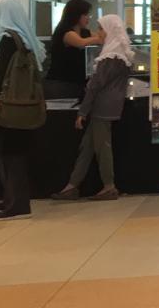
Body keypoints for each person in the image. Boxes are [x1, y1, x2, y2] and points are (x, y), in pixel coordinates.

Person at [51, 15, 133, 202]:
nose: (98, 33)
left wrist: (82, 111)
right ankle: (72, 186)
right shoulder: (121, 55)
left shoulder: (110, 57)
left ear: (110, 30)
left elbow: (95, 86)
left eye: (101, 28)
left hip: (102, 108)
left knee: (102, 147)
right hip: (109, 106)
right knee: (87, 147)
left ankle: (109, 187)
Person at [0, 0, 47, 221]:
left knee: (10, 154)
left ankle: (17, 205)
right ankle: (12, 199)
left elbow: (1, 79)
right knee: (16, 152)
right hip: (24, 106)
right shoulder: (26, 40)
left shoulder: (7, 40)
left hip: (8, 107)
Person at [46, 0, 104, 100]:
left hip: (78, 83)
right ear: (76, 15)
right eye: (85, 15)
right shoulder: (65, 32)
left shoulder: (85, 32)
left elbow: (100, 39)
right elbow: (81, 43)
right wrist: (98, 39)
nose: (88, 18)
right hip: (61, 83)